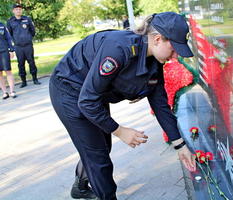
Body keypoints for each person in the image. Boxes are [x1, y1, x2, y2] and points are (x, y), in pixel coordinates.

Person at [49, 12, 196, 200]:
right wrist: (119, 131)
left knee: (101, 147)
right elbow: (86, 101)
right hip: (69, 92)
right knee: (98, 156)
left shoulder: (154, 61)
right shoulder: (119, 49)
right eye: (174, 49)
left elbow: (160, 104)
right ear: (158, 39)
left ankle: (80, 186)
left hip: (92, 94)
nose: (175, 56)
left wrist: (180, 145)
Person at [7, 3, 41, 88]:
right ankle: (24, 81)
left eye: (20, 9)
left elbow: (32, 31)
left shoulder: (27, 19)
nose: (18, 10)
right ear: (13, 11)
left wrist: (28, 38)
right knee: (20, 64)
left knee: (32, 62)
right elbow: (10, 34)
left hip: (28, 45)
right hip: (18, 47)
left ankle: (35, 79)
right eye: (16, 9)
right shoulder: (10, 21)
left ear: (21, 10)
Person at [0, 22, 16, 99]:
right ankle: (4, 92)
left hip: (4, 51)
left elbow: (8, 38)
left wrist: (11, 50)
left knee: (8, 71)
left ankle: (12, 91)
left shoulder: (2, 25)